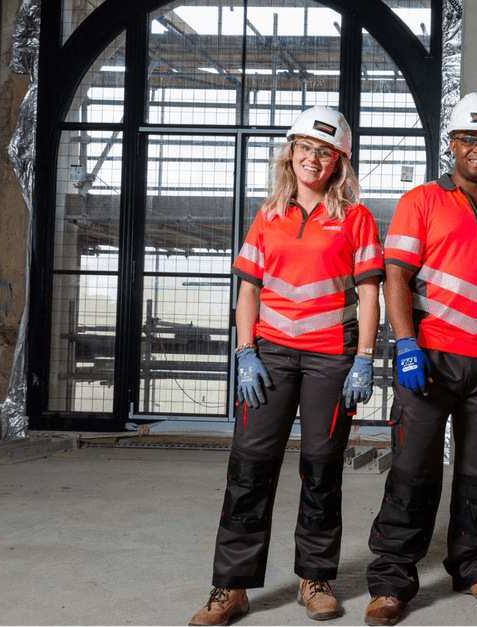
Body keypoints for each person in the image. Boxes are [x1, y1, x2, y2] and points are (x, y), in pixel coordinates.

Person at [189, 106, 383, 627]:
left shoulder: (355, 218)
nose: (313, 159)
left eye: (325, 151)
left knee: (321, 467)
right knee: (249, 467)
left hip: (331, 358)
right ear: (290, 152)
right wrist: (244, 350)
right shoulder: (268, 213)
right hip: (269, 357)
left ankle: (314, 578)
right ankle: (230, 587)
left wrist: (364, 359)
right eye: (305, 148)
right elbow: (248, 288)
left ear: (339, 160)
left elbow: (369, 294)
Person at [363, 91, 477, 627]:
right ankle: (392, 579)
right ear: (452, 143)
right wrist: (405, 343)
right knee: (413, 470)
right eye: (470, 139)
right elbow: (396, 273)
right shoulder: (419, 201)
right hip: (431, 360)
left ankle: (474, 567)